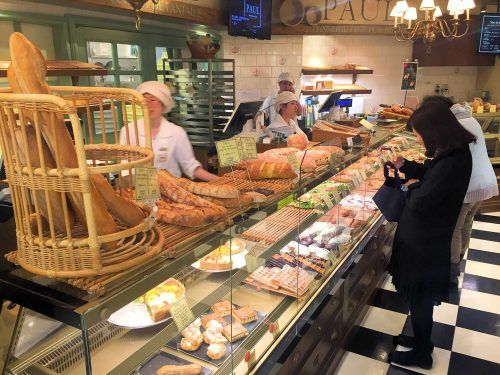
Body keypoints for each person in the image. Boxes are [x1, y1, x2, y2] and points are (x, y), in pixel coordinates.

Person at [388, 101, 475, 369]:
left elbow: (422, 201)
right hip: (426, 237)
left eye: (419, 134)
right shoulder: (453, 154)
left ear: (435, 131)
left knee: (421, 297)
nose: (418, 138)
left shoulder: (454, 161)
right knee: (418, 299)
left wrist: (409, 188)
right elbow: (430, 177)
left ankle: (422, 352)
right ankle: (420, 339)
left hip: (425, 242)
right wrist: (411, 169)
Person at [420, 96, 498, 283]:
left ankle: (451, 270)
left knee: (454, 227)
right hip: (484, 181)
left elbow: (445, 155)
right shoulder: (468, 118)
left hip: (468, 185)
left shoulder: (456, 124)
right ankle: (459, 257)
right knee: (466, 222)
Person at [119, 81, 217, 181]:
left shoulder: (176, 133)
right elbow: (125, 166)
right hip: (138, 192)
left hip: (171, 191)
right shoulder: (128, 131)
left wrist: (219, 181)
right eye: (144, 101)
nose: (148, 105)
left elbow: (190, 166)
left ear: (163, 104)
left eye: (153, 100)